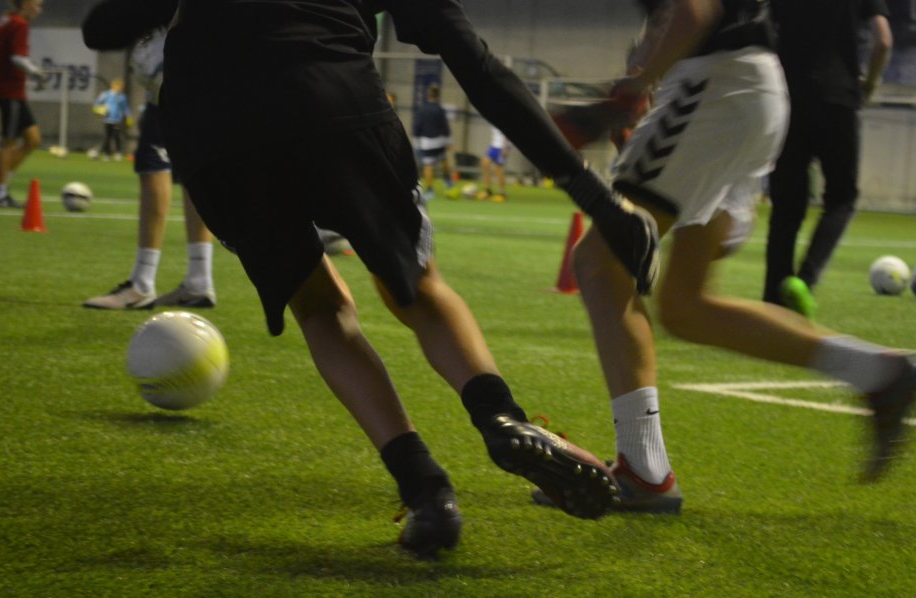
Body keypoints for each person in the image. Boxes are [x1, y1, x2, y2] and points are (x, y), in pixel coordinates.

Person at [82, 0, 646, 560]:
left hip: (214, 127)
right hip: (333, 97)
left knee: (321, 307)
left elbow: (104, 27)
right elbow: (478, 68)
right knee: (417, 289)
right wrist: (592, 195)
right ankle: (499, 417)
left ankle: (425, 490)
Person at [542, 0, 916, 514]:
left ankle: (644, 470)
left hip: (714, 86)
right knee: (686, 306)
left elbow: (693, 8)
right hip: (751, 91)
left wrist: (629, 90)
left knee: (599, 264)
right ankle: (878, 371)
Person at [762, 0, 893, 318]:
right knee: (841, 198)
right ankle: (804, 281)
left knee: (786, 205)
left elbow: (762, 27)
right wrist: (869, 84)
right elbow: (883, 41)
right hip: (838, 97)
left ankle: (773, 299)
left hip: (788, 97)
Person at [82, 26, 215, 311]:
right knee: (194, 172)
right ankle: (199, 279)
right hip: (209, 73)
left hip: (178, 70)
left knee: (154, 164)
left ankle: (142, 283)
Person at [0, 0, 44, 208]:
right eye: (37, 4)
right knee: (9, 143)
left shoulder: (6, 19)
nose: (39, 8)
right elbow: (17, 58)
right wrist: (38, 73)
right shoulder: (19, 24)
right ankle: (0, 194)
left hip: (14, 92)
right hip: (9, 91)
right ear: (25, 3)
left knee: (33, 139)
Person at [414, 84, 457, 200]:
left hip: (426, 143)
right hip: (439, 141)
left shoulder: (422, 110)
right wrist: (449, 142)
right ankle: (448, 181)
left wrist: (416, 141)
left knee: (428, 165)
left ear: (428, 95)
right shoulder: (440, 110)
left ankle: (430, 190)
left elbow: (417, 127)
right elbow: (445, 127)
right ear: (437, 96)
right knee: (443, 159)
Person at [91, 77, 131, 161]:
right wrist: (97, 109)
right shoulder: (105, 95)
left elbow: (125, 108)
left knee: (116, 136)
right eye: (119, 86)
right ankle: (107, 154)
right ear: (114, 86)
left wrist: (128, 116)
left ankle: (118, 153)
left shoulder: (122, 97)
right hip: (107, 119)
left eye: (121, 87)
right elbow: (97, 103)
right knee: (108, 137)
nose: (120, 88)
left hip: (117, 119)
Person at [476, 124, 509, 202]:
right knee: (484, 164)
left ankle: (502, 193)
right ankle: (488, 190)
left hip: (502, 147)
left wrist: (506, 147)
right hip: (494, 146)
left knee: (498, 169)